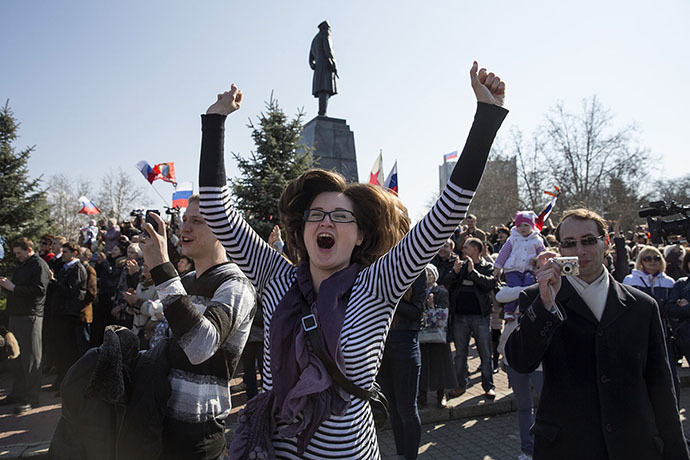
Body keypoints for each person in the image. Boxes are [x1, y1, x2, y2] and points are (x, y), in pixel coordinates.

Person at [198, 61, 507, 459]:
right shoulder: (275, 275)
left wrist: (487, 115)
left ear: (359, 234)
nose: (327, 222)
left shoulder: (378, 284)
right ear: (304, 229)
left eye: (341, 216)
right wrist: (215, 120)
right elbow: (216, 209)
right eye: (317, 214)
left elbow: (448, 212)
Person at [506, 208, 689, 460]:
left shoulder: (642, 305)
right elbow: (520, 361)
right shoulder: (539, 297)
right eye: (569, 244)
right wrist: (546, 305)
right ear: (560, 250)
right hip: (568, 447)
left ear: (606, 242)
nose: (579, 251)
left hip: (634, 445)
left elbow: (661, 385)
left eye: (588, 240)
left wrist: (676, 452)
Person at [140, 195, 257, 460]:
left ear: (223, 230)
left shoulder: (236, 285)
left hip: (197, 436)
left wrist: (161, 269)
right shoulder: (186, 280)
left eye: (197, 221)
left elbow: (200, 347)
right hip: (159, 424)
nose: (184, 228)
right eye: (183, 221)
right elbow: (164, 337)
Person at [378, 271, 426, 460]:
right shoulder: (381, 269)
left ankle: (410, 457)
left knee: (406, 409)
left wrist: (389, 298)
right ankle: (401, 455)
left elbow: (416, 312)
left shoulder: (417, 272)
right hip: (382, 345)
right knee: (393, 409)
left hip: (405, 343)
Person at [0, 237, 50, 413]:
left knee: (31, 358)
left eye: (19, 253)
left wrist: (13, 288)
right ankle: (18, 392)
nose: (17, 257)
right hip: (17, 315)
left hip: (31, 316)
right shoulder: (24, 264)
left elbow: (39, 290)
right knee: (16, 357)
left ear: (29, 250)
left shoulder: (39, 265)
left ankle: (31, 397)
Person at [446, 237, 497, 399]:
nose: (463, 250)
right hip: (460, 317)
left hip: (480, 317)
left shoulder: (486, 267)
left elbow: (490, 284)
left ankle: (488, 386)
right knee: (460, 353)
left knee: (485, 352)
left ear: (475, 249)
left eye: (466, 247)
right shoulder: (458, 266)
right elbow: (447, 283)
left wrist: (472, 272)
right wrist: (454, 272)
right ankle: (460, 385)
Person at [493, 211, 546, 321]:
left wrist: (542, 264)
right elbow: (503, 253)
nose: (523, 228)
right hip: (513, 269)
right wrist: (497, 267)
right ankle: (509, 310)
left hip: (529, 270)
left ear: (532, 226)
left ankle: (523, 309)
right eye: (519, 225)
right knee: (513, 287)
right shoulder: (512, 239)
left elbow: (543, 255)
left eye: (526, 225)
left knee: (529, 287)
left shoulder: (537, 240)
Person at [49, 241, 87, 391]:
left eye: (65, 252)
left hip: (68, 315)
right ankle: (60, 380)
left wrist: (54, 281)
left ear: (74, 254)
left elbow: (71, 291)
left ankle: (68, 384)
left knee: (67, 350)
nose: (62, 255)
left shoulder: (77, 269)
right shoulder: (64, 268)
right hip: (59, 313)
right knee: (59, 349)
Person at [418, 264, 457, 408]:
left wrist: (432, 307)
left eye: (430, 273)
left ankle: (441, 396)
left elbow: (443, 314)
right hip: (422, 334)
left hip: (439, 335)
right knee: (422, 366)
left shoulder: (441, 292)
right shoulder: (418, 291)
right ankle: (422, 397)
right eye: (425, 273)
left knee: (441, 366)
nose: (427, 276)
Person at [309, 20, 338, 116]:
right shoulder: (325, 35)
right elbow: (328, 49)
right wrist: (333, 63)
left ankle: (322, 111)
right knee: (325, 89)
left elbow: (310, 57)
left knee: (323, 89)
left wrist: (312, 64)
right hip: (325, 65)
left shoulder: (315, 39)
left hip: (318, 66)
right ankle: (323, 112)